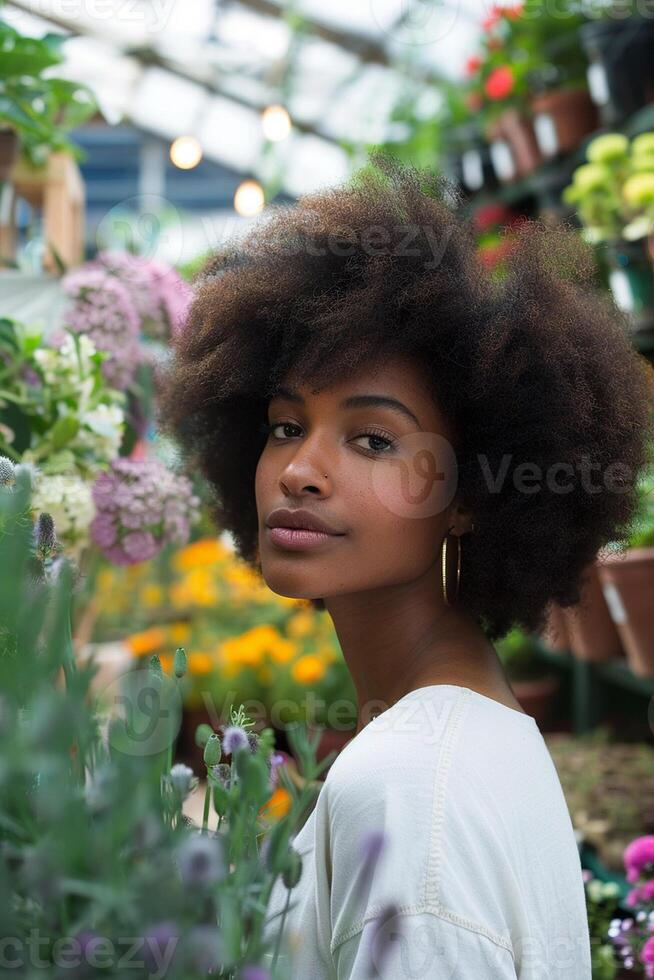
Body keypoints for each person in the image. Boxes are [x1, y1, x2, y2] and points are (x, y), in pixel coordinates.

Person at [160, 153, 654, 978]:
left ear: (468, 493)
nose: (300, 470)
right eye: (286, 425)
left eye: (374, 439)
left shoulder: (409, 790)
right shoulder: (470, 736)